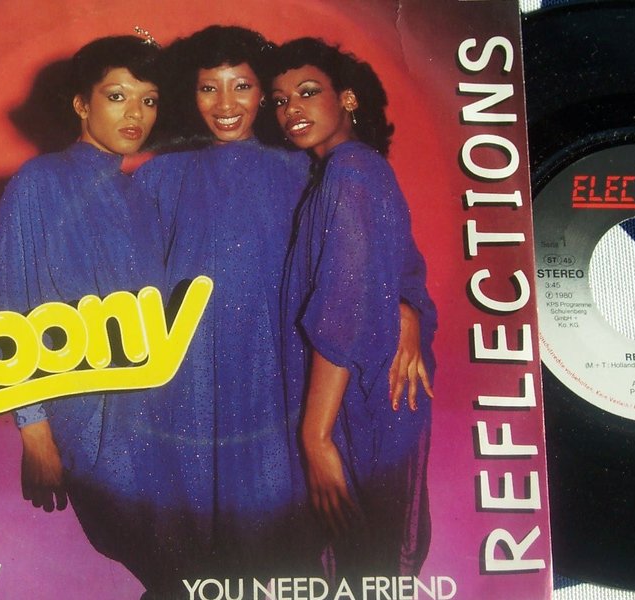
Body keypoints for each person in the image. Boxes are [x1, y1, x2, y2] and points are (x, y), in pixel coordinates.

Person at [132, 25, 433, 589]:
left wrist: (405, 306)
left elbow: (380, 255)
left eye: (243, 86)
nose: (226, 104)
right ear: (189, 94)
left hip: (284, 381)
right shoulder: (158, 177)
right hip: (194, 384)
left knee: (293, 542)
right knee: (198, 543)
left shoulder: (310, 170)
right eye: (208, 88)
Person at [0, 35, 166, 594]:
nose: (135, 114)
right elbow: (6, 313)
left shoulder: (143, 193)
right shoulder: (39, 182)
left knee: (184, 569)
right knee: (156, 554)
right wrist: (34, 431)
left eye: (149, 100)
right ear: (82, 104)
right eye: (117, 96)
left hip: (158, 415)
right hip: (85, 416)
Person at [269, 37, 436, 579]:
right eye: (280, 100)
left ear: (347, 98)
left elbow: (341, 313)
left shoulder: (351, 172)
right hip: (364, 396)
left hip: (361, 402)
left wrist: (315, 437)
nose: (291, 109)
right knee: (369, 561)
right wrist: (405, 309)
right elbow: (399, 274)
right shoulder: (347, 174)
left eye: (307, 92)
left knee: (367, 562)